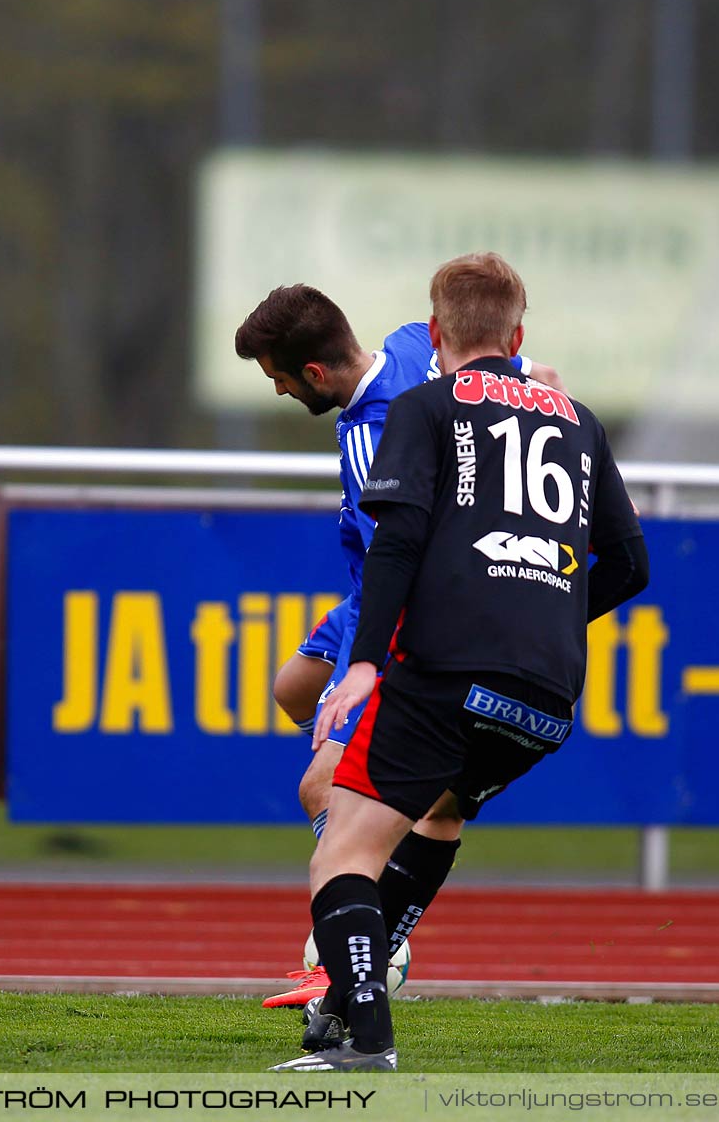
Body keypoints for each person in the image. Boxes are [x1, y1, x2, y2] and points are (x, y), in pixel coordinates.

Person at [268, 252, 648, 1071]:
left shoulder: (424, 405)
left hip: (448, 670)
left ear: (436, 333)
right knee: (438, 814)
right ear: (519, 336)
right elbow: (630, 566)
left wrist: (366, 665)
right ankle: (347, 999)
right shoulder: (579, 419)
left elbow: (397, 542)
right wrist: (541, 609)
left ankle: (364, 1034)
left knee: (341, 846)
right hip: (547, 693)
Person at [234, 287, 562, 1009]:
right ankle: (379, 837)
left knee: (321, 786)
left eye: (279, 378)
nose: (281, 389)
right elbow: (528, 371)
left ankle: (361, 932)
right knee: (291, 688)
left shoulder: (372, 433)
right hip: (364, 594)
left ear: (314, 375)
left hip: (396, 605)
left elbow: (403, 559)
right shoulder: (415, 342)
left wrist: (373, 666)